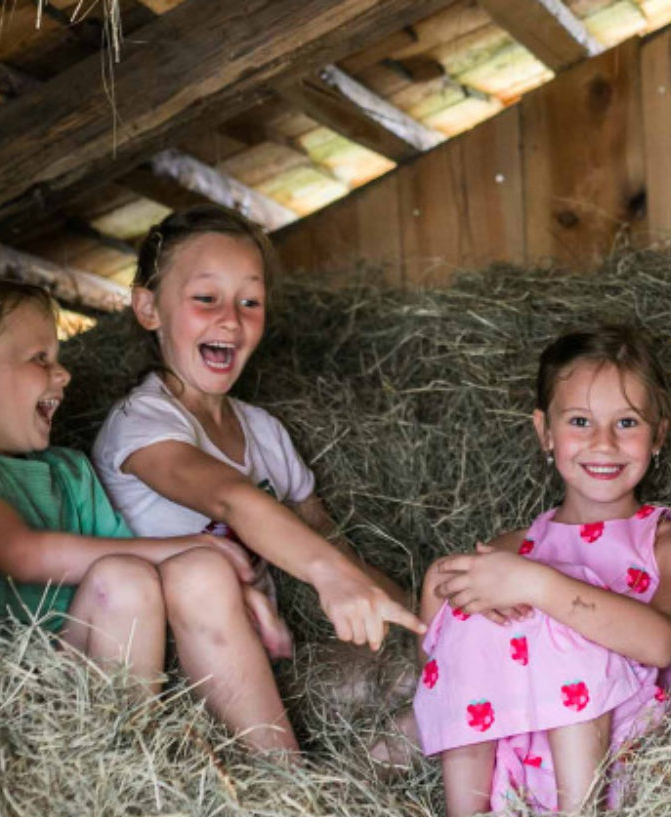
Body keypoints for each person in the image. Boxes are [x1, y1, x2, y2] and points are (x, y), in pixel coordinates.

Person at [91, 206, 425, 753]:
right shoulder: (141, 424)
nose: (232, 318)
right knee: (200, 575)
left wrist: (425, 622)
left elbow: (329, 543)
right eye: (207, 299)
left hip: (267, 668)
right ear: (148, 307)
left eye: (251, 301)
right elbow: (230, 498)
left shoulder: (264, 433)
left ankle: (342, 800)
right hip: (177, 682)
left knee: (427, 680)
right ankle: (284, 796)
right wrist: (328, 577)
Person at [413, 326, 671, 817]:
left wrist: (538, 584)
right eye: (579, 421)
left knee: (555, 615)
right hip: (512, 762)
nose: (602, 443)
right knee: (472, 615)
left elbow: (662, 645)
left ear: (659, 433)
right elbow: (445, 664)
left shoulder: (670, 544)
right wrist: (438, 589)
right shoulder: (513, 549)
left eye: (627, 423)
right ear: (545, 432)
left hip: (617, 757)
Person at [0, 281, 251, 696]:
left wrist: (236, 593)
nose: (64, 373)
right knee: (122, 579)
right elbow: (23, 554)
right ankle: (131, 747)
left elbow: (144, 565)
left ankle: (140, 737)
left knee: (153, 572)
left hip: (80, 668)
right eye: (40, 358)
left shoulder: (68, 472)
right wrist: (188, 543)